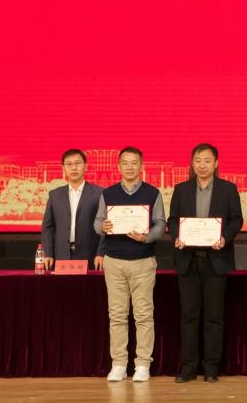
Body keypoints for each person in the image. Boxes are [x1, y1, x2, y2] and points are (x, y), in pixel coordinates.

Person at [167, 143, 243, 383]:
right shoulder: (181, 189)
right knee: (189, 316)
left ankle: (211, 368)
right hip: (188, 261)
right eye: (198, 161)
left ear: (216, 163)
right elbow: (173, 220)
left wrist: (224, 238)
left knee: (214, 317)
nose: (202, 165)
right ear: (192, 163)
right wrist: (177, 236)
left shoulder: (228, 189)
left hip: (216, 261)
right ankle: (188, 368)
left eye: (207, 161)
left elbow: (236, 220)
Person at [94, 147, 166, 383]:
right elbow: (97, 222)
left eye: (134, 163)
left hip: (143, 261)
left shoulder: (152, 193)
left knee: (144, 315)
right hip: (114, 261)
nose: (130, 167)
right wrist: (102, 226)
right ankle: (119, 364)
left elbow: (160, 223)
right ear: (119, 166)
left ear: (141, 166)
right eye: (125, 163)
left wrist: (147, 237)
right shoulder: (108, 193)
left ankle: (143, 364)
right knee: (117, 315)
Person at [40, 148, 104, 270]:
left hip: (90, 256)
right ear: (63, 168)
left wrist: (100, 253)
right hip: (61, 255)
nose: (73, 168)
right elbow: (48, 227)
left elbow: (105, 227)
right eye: (69, 164)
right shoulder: (55, 195)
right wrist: (48, 253)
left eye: (78, 163)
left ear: (85, 166)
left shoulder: (99, 193)